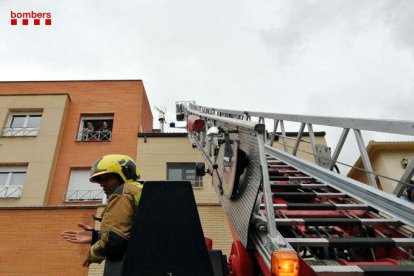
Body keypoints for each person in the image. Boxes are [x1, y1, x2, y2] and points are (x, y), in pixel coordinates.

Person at [60, 154, 143, 273]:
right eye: (100, 179)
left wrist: (93, 254)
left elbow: (115, 240)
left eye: (107, 178)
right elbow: (131, 232)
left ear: (124, 174)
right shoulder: (138, 189)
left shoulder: (123, 193)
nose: (101, 183)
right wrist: (96, 236)